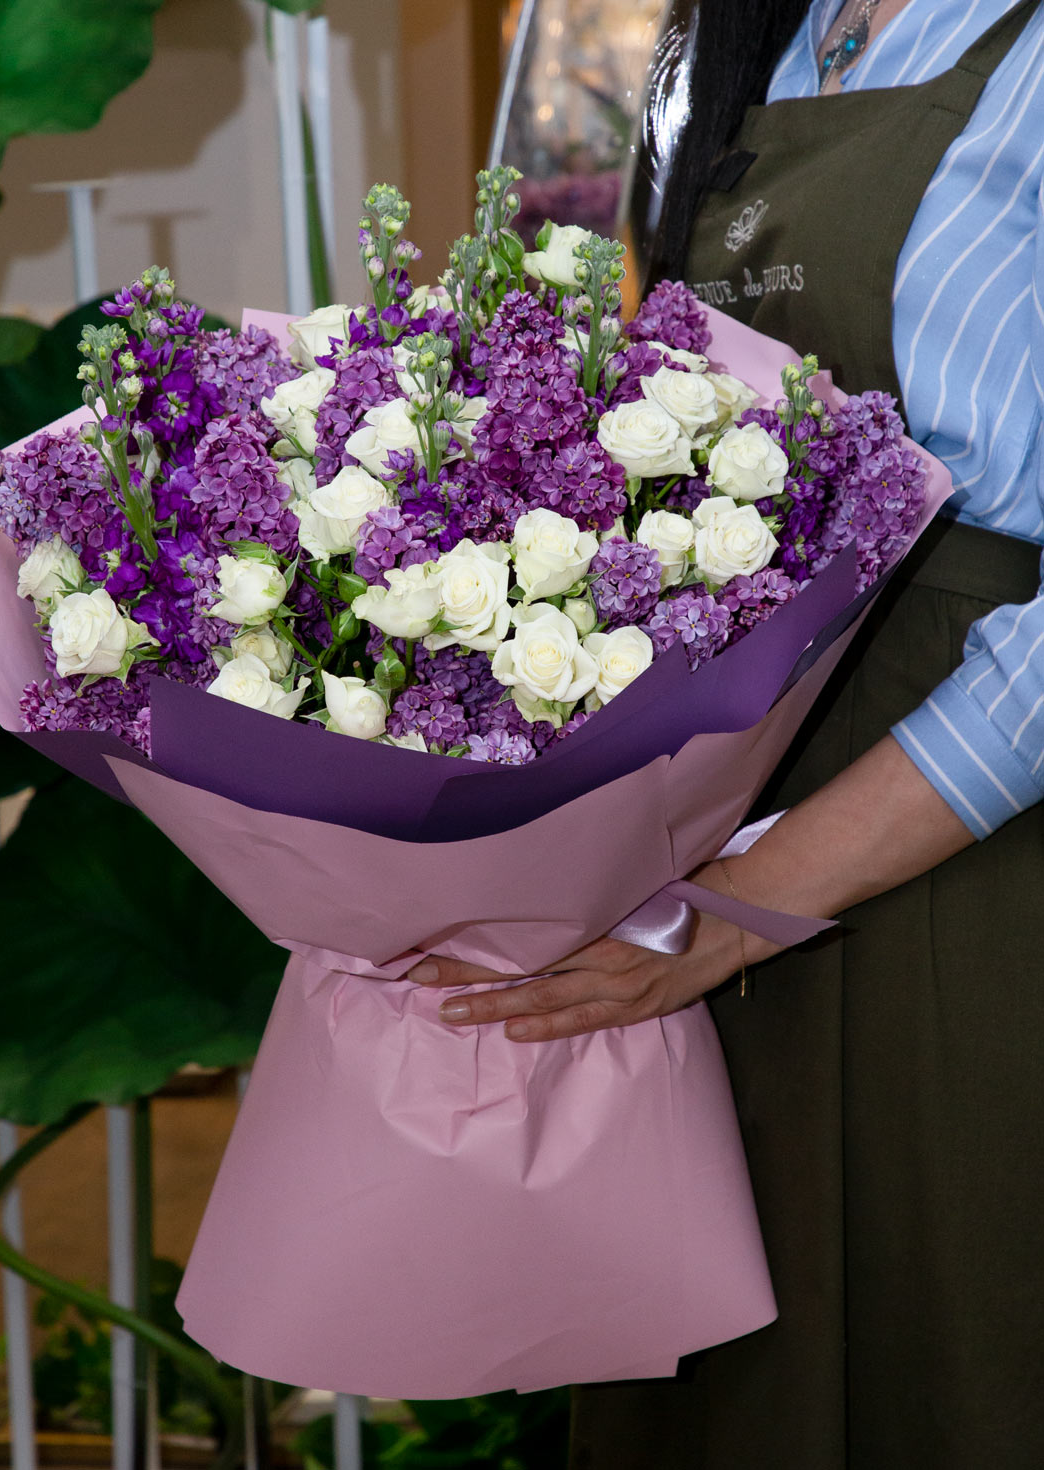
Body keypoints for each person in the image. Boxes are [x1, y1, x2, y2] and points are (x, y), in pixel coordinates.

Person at [407, 1, 1044, 1463]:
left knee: (958, 1359)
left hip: (974, 851)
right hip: (705, 825)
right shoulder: (751, 36)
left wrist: (753, 899)